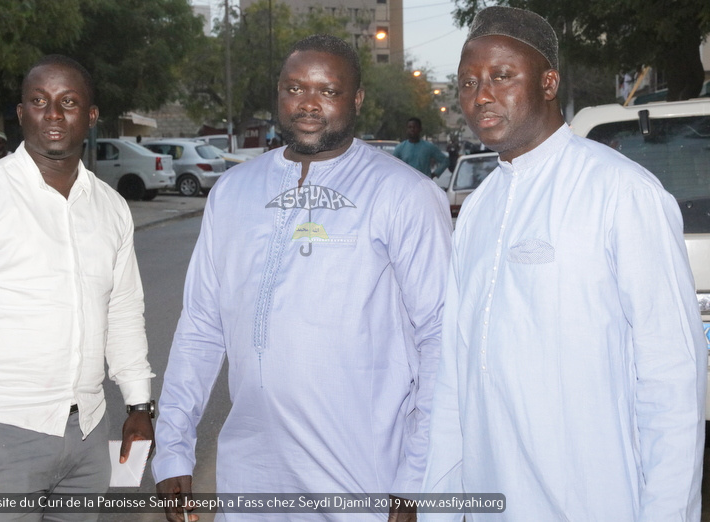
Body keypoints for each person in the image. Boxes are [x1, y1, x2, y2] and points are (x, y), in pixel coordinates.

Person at [421, 6, 705, 521]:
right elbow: (454, 379)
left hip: (593, 499)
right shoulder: (480, 207)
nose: (480, 95)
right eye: (467, 82)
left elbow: (672, 383)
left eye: (501, 76)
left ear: (549, 82)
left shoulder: (620, 192)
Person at [153, 34, 452, 521]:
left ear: (356, 99)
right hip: (251, 480)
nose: (309, 104)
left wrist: (416, 480)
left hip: (363, 478)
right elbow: (201, 328)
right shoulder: (232, 192)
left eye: (328, 92)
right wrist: (172, 447)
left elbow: (439, 337)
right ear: (278, 93)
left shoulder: (402, 195)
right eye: (295, 89)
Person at [0, 54, 155, 520]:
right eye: (39, 101)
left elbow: (124, 311)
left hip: (87, 434)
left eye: (68, 102)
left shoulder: (110, 208)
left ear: (90, 116)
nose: (53, 114)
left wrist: (139, 403)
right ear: (21, 112)